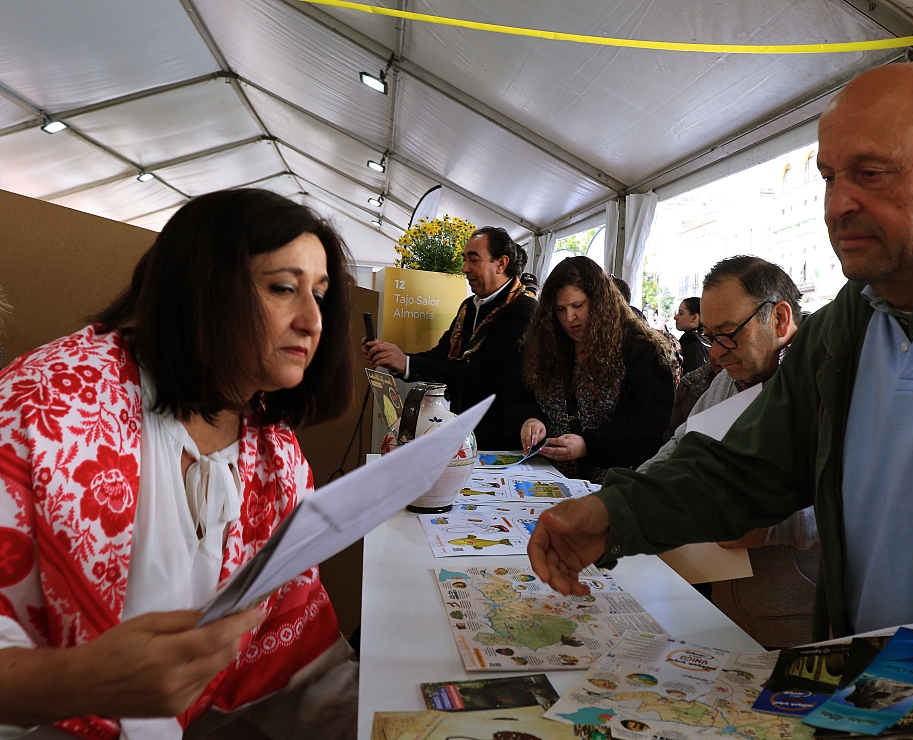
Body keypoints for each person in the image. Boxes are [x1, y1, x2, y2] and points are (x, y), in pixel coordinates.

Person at [527, 63, 913, 738]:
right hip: (868, 705)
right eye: (830, 176)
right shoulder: (846, 329)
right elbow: (745, 469)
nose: (837, 205)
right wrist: (615, 510)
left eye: (873, 172)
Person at [0, 190, 358, 738]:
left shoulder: (277, 455)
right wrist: (79, 680)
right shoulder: (45, 404)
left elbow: (295, 649)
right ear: (202, 289)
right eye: (283, 288)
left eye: (321, 293)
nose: (312, 320)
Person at [638, 257, 818, 647]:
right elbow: (681, 447)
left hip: (804, 628)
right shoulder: (731, 381)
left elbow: (869, 507)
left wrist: (770, 526)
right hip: (724, 613)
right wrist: (629, 498)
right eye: (709, 337)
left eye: (728, 334)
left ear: (781, 319)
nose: (716, 355)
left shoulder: (826, 384)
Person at [363, 227, 536, 450]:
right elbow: (441, 355)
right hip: (463, 428)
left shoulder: (523, 310)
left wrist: (407, 363)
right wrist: (396, 359)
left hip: (500, 438)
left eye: (474, 260)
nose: (465, 268)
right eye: (465, 259)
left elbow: (484, 374)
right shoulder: (469, 307)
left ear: (501, 263)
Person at [507, 257, 675, 483]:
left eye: (578, 306)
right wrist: (530, 419)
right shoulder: (545, 345)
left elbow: (649, 421)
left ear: (600, 301)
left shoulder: (640, 349)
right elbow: (518, 395)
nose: (569, 318)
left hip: (615, 485)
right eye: (560, 309)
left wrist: (589, 445)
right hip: (549, 481)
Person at [673, 297, 708, 376]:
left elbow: (693, 385)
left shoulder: (695, 347)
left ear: (694, 317)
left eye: (681, 313)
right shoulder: (693, 342)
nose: (675, 317)